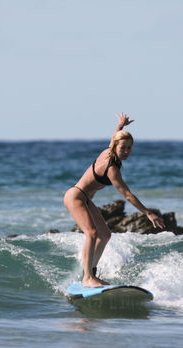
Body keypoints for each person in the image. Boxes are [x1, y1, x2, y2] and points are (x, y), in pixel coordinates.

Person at [63, 113, 165, 287]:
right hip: (76, 196)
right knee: (92, 234)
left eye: (130, 148)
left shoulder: (110, 149)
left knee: (105, 235)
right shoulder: (112, 169)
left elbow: (115, 135)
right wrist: (148, 213)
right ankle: (87, 278)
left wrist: (121, 125)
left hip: (85, 199)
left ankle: (91, 274)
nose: (126, 152)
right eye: (123, 148)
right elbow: (127, 195)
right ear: (116, 146)